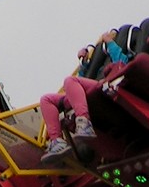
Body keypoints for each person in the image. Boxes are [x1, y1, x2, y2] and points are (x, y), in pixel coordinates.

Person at [39, 29, 129, 165]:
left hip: (106, 85)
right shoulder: (97, 65)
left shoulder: (117, 55)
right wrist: (84, 64)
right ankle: (57, 141)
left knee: (70, 80)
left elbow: (122, 64)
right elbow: (80, 81)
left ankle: (84, 122)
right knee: (46, 99)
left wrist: (109, 42)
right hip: (84, 91)